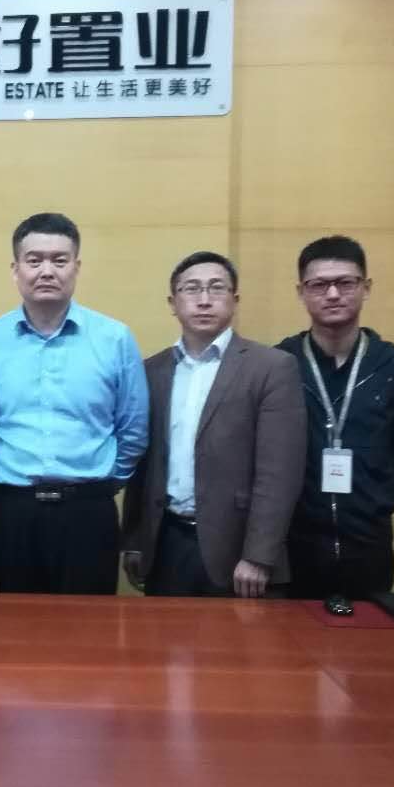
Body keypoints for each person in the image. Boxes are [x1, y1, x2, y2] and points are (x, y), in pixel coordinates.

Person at [0, 212, 149, 595]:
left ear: (76, 267)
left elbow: (133, 430)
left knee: (89, 626)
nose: (47, 271)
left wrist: (102, 481)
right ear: (16, 269)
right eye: (34, 260)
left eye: (59, 260)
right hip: (13, 510)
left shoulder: (114, 339)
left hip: (89, 511)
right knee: (17, 625)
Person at [122, 251, 306, 598]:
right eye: (191, 289)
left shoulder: (272, 368)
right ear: (173, 303)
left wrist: (259, 555)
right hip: (166, 543)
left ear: (235, 300)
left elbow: (280, 474)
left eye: (216, 288)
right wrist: (134, 539)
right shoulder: (151, 371)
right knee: (164, 633)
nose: (204, 300)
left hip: (237, 549)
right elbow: (142, 464)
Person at [278, 235, 394, 600]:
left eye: (345, 283)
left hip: (368, 546)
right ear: (301, 292)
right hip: (293, 546)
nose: (333, 294)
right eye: (319, 285)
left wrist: (373, 502)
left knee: (365, 632)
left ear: (366, 287)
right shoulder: (280, 365)